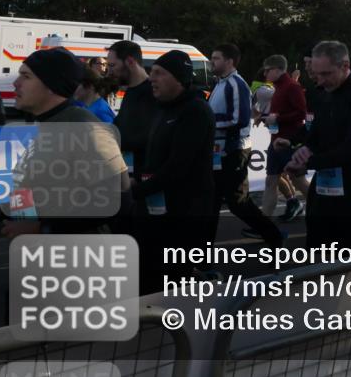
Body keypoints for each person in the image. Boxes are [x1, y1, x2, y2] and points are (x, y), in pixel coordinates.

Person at [0, 48, 129, 241]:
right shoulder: (47, 123)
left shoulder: (84, 126)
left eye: (26, 76)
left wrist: (43, 228)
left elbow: (119, 200)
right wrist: (0, 209)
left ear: (51, 85)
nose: (15, 83)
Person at [286, 41, 351, 252]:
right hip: (325, 191)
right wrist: (303, 150)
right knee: (319, 258)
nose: (320, 80)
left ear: (345, 66)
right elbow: (317, 133)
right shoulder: (324, 92)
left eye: (327, 73)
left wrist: (309, 164)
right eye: (317, 73)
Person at [132, 50, 215, 293]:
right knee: (149, 276)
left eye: (159, 73)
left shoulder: (196, 111)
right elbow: (153, 156)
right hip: (157, 207)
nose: (151, 78)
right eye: (151, 72)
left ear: (178, 79)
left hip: (184, 213)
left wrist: (135, 191)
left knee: (170, 284)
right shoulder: (163, 108)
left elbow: (178, 166)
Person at [208, 44, 284, 246]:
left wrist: (207, 121)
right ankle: (202, 257)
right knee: (211, 202)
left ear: (229, 61)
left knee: (238, 203)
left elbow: (239, 119)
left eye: (216, 58)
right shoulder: (220, 83)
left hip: (235, 150)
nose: (211, 61)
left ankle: (274, 235)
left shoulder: (236, 84)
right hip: (219, 151)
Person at [255, 54, 309, 235]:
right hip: (275, 141)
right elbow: (278, 114)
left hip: (289, 141)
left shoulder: (292, 86)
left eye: (268, 70)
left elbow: (301, 114)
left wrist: (277, 118)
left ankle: (324, 212)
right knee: (271, 180)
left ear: (278, 69)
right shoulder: (278, 87)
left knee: (298, 180)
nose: (265, 73)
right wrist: (265, 119)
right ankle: (263, 227)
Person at [107, 40, 157, 179]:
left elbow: (148, 138)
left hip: (145, 182)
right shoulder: (131, 91)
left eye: (112, 65)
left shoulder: (152, 93)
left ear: (130, 61)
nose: (109, 72)